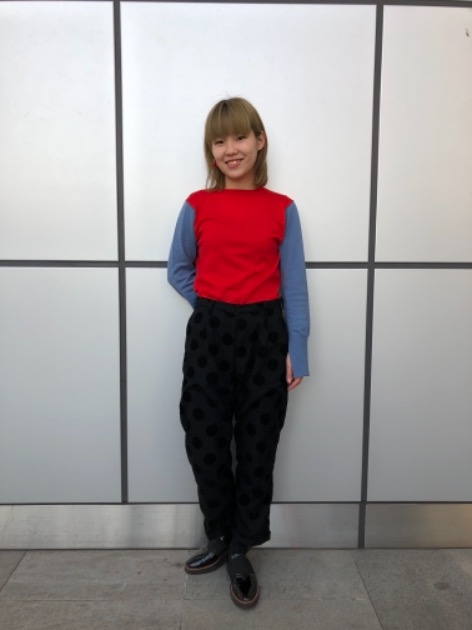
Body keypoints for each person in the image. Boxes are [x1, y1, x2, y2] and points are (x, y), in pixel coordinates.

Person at [167, 97, 309, 608]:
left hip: (266, 338)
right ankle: (219, 535)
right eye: (220, 141)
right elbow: (178, 270)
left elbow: (294, 285)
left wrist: (297, 347)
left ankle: (241, 548)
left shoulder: (282, 209)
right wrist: (211, 305)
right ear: (211, 151)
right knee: (205, 442)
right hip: (209, 337)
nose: (231, 149)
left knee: (256, 447)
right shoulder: (197, 206)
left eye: (241, 137)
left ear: (259, 141)